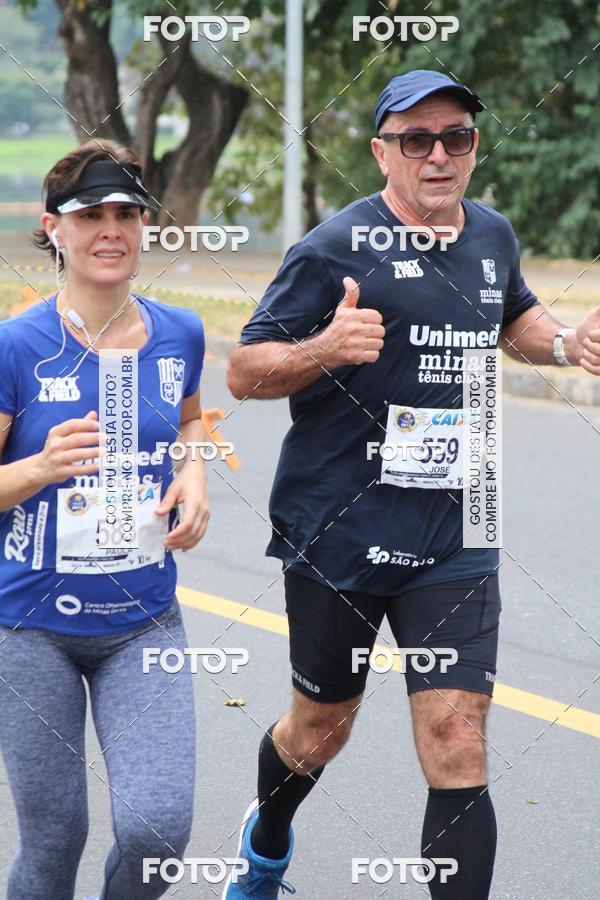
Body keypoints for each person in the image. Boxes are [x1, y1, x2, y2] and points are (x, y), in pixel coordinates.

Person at [223, 69, 600, 898]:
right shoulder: (332, 250)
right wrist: (323, 348)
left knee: (458, 737)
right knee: (320, 730)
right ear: (381, 153)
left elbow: (514, 317)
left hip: (458, 532)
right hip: (339, 533)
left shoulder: (491, 235)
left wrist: (569, 342)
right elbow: (246, 372)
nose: (438, 155)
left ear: (473, 148)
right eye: (416, 140)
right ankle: (268, 840)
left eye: (456, 137)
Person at [0, 140, 209, 900]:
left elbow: (189, 426)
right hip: (28, 628)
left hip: (143, 620)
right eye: (92, 216)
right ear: (55, 228)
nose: (112, 230)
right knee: (55, 841)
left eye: (128, 213)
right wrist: (40, 469)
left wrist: (194, 469)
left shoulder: (181, 333)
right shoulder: (16, 346)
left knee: (157, 832)